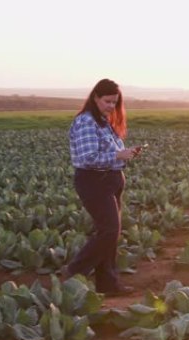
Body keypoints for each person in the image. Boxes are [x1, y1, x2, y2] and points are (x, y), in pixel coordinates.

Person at [62, 78, 142, 296]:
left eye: (115, 102)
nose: (111, 106)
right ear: (95, 97)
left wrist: (126, 154)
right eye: (107, 101)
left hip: (111, 180)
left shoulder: (104, 121)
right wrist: (118, 154)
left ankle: (108, 284)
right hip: (94, 181)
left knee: (110, 233)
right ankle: (74, 270)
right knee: (109, 231)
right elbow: (88, 158)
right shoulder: (86, 121)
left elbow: (109, 154)